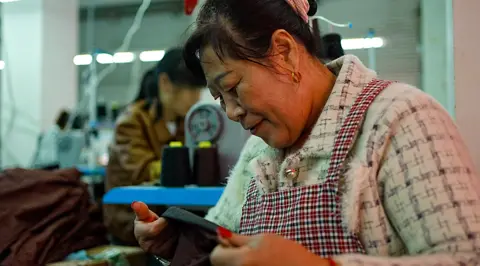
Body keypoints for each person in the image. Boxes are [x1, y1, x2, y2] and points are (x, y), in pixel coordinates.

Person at [132, 0, 480, 265]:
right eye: (220, 99)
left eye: (234, 87)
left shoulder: (398, 118)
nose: (233, 112)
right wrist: (178, 248)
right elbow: (222, 245)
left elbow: (466, 257)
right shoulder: (259, 152)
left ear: (283, 52)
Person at [104, 48, 206, 245]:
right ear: (165, 83)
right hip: (132, 221)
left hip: (170, 214)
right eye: (190, 90)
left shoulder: (184, 123)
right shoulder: (131, 122)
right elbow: (143, 170)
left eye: (198, 90)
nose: (196, 98)